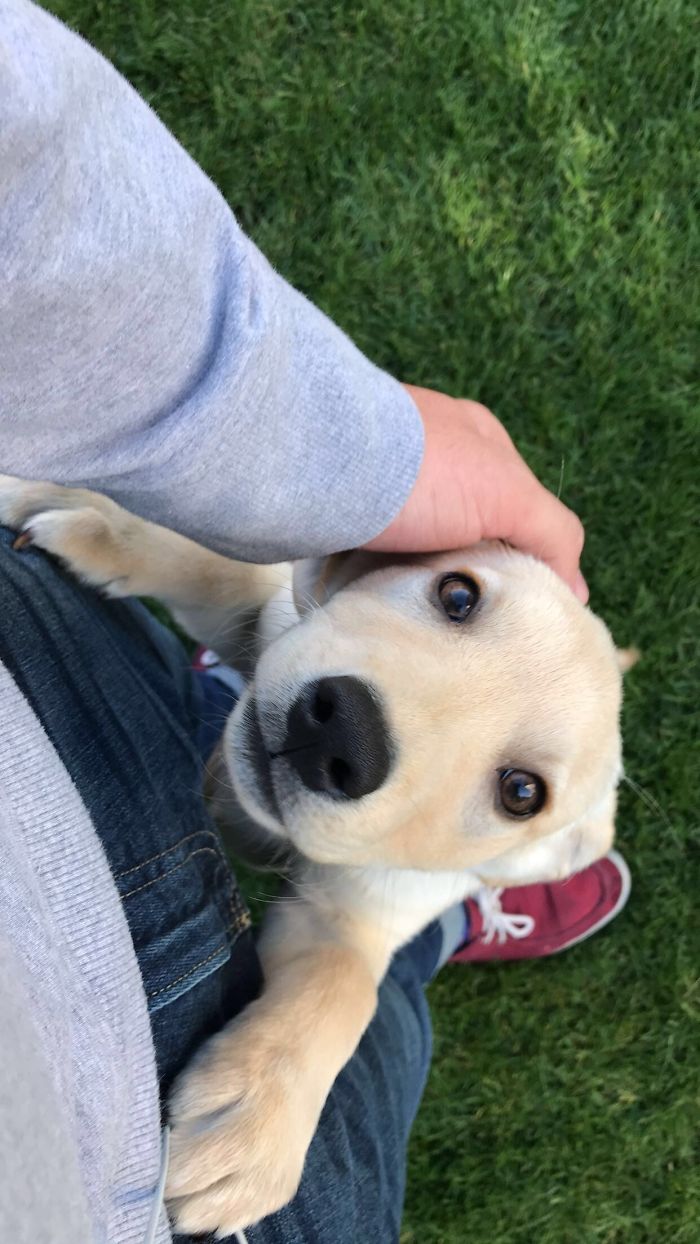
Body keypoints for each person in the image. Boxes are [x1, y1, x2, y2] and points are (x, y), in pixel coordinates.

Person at [0, 2, 630, 1241]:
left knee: (373, 918)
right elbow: (280, 583)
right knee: (371, 977)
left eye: (518, 788)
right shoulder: (324, 587)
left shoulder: (554, 826)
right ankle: (425, 922)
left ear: (541, 841)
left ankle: (432, 912)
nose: (383, 718)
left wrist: (316, 1011)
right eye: (457, 597)